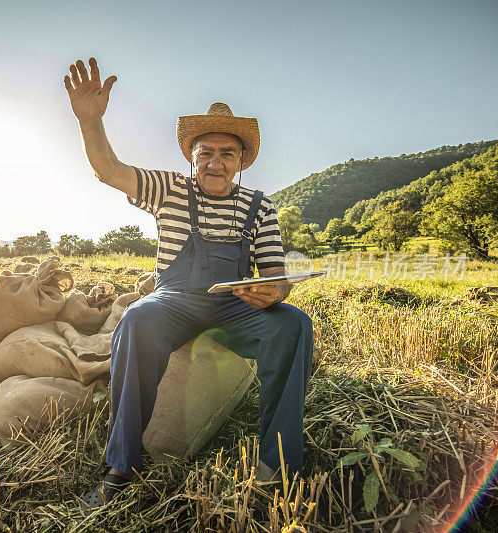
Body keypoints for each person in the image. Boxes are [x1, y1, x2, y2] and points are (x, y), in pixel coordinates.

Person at [64, 58, 313, 511]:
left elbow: (276, 273)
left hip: (235, 306)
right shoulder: (169, 190)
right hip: (174, 300)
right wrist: (90, 122)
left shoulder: (261, 206)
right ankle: (122, 466)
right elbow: (108, 169)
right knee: (137, 319)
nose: (215, 163)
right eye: (206, 154)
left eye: (227, 154)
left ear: (241, 162)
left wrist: (275, 292)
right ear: (191, 157)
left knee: (292, 325)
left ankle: (277, 467)